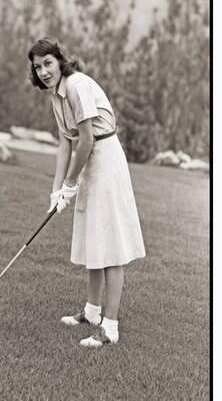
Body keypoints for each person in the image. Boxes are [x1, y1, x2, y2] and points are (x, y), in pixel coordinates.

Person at [28, 37, 146, 348]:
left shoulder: (77, 86)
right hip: (89, 159)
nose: (43, 71)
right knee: (93, 236)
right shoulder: (56, 95)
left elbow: (87, 141)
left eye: (48, 63)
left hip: (105, 159)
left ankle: (110, 327)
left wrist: (70, 183)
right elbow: (65, 143)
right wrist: (57, 191)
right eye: (37, 66)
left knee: (110, 242)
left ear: (60, 61)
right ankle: (92, 313)